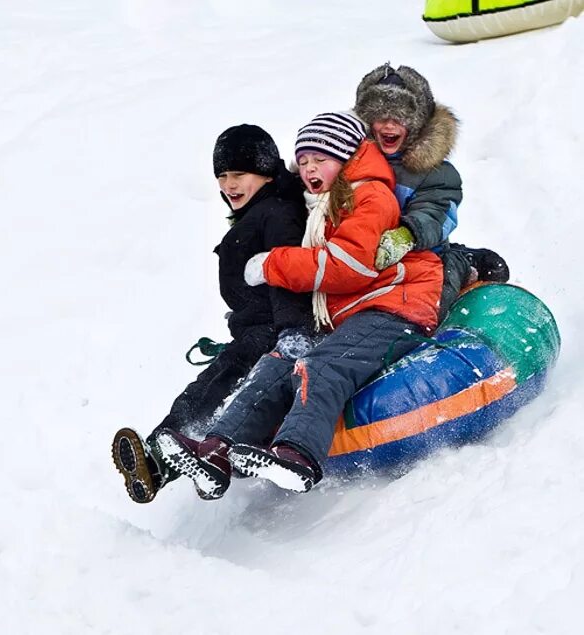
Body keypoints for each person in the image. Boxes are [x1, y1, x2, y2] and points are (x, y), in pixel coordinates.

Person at [155, 112, 444, 498]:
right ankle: (217, 451)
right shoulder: (320, 207)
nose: (309, 168)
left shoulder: (369, 195)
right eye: (303, 161)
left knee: (319, 365)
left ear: (345, 157)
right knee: (276, 364)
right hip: (350, 313)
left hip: (394, 307)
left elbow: (351, 265)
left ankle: (298, 454)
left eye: (320, 159)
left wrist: (275, 264)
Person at [112, 124, 313, 503]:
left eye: (239, 174)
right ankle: (163, 458)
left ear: (267, 171)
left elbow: (284, 273)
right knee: (211, 387)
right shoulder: (261, 212)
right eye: (222, 175)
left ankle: (168, 455)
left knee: (213, 389)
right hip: (256, 329)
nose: (229, 184)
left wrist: (291, 331)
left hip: (270, 333)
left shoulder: (276, 216)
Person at [353, 63, 509, 318]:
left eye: (400, 118)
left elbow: (436, 211)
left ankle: (461, 262)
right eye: (381, 117)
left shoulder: (436, 172)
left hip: (425, 256)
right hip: (363, 257)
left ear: (416, 123)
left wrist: (408, 234)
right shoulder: (347, 161)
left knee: (429, 302)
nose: (389, 126)